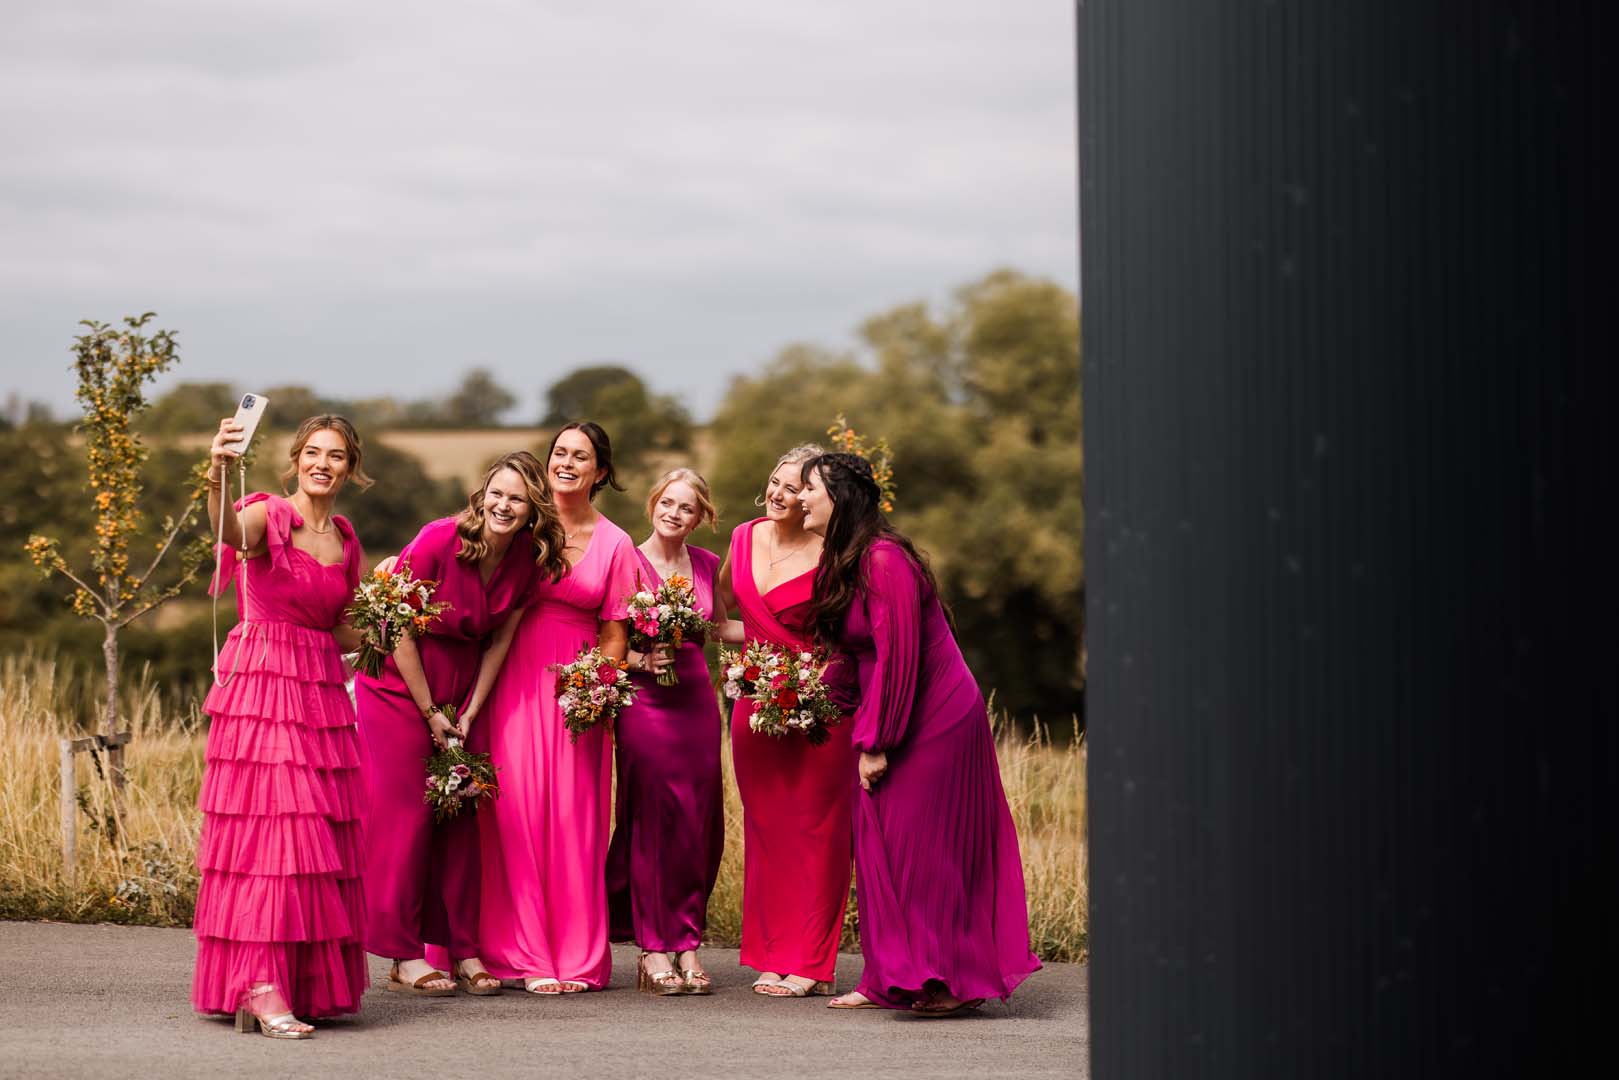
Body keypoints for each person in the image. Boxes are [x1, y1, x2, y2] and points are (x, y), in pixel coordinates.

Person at [796, 452, 1042, 1015]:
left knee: (921, 848)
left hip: (934, 717)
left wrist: (876, 740)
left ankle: (949, 982)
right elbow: (850, 652)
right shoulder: (846, 561)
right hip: (895, 708)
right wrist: (812, 702)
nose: (800, 498)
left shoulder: (885, 561)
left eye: (809, 488)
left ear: (840, 497)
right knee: (879, 840)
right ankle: (891, 977)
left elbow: (898, 655)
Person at [356, 452, 568, 998]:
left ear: (532, 510)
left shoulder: (528, 560)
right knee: (409, 819)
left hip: (457, 697)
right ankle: (403, 956)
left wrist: (470, 709)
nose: (504, 505)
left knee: (459, 818)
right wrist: (428, 710)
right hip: (400, 690)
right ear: (482, 495)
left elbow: (500, 640)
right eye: (497, 493)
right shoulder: (438, 539)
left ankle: (462, 947)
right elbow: (396, 625)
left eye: (517, 499)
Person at [191, 414, 372, 1038]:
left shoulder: (346, 538)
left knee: (314, 836)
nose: (324, 463)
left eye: (337, 455)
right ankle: (260, 984)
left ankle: (300, 983)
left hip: (321, 687)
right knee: (274, 833)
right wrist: (217, 469)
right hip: (265, 682)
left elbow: (344, 627)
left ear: (352, 468)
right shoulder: (267, 514)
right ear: (295, 459)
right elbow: (225, 531)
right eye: (313, 452)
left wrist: (400, 624)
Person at [476, 421, 641, 993]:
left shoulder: (616, 543)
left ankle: (575, 955)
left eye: (582, 456)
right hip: (512, 681)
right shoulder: (522, 521)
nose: (567, 462)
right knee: (514, 813)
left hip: (578, 693)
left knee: (574, 823)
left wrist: (598, 690)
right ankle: (519, 951)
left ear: (601, 473)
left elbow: (616, 632)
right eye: (560, 452)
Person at [713, 444, 854, 997]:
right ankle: (772, 954)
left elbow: (847, 637)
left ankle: (813, 963)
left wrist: (810, 681)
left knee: (819, 831)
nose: (779, 493)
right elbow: (721, 611)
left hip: (820, 704)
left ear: (817, 497)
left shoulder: (834, 552)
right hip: (755, 701)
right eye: (775, 480)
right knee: (767, 829)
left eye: (795, 486)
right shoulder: (744, 536)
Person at [605, 468, 726, 995]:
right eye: (668, 503)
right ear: (653, 503)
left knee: (697, 819)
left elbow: (720, 626)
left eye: (687, 508)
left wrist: (798, 639)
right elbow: (600, 635)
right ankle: (653, 948)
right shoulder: (624, 560)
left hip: (696, 699)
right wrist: (637, 660)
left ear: (701, 518)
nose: (675, 514)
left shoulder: (708, 564)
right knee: (654, 818)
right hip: (645, 701)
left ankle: (688, 944)